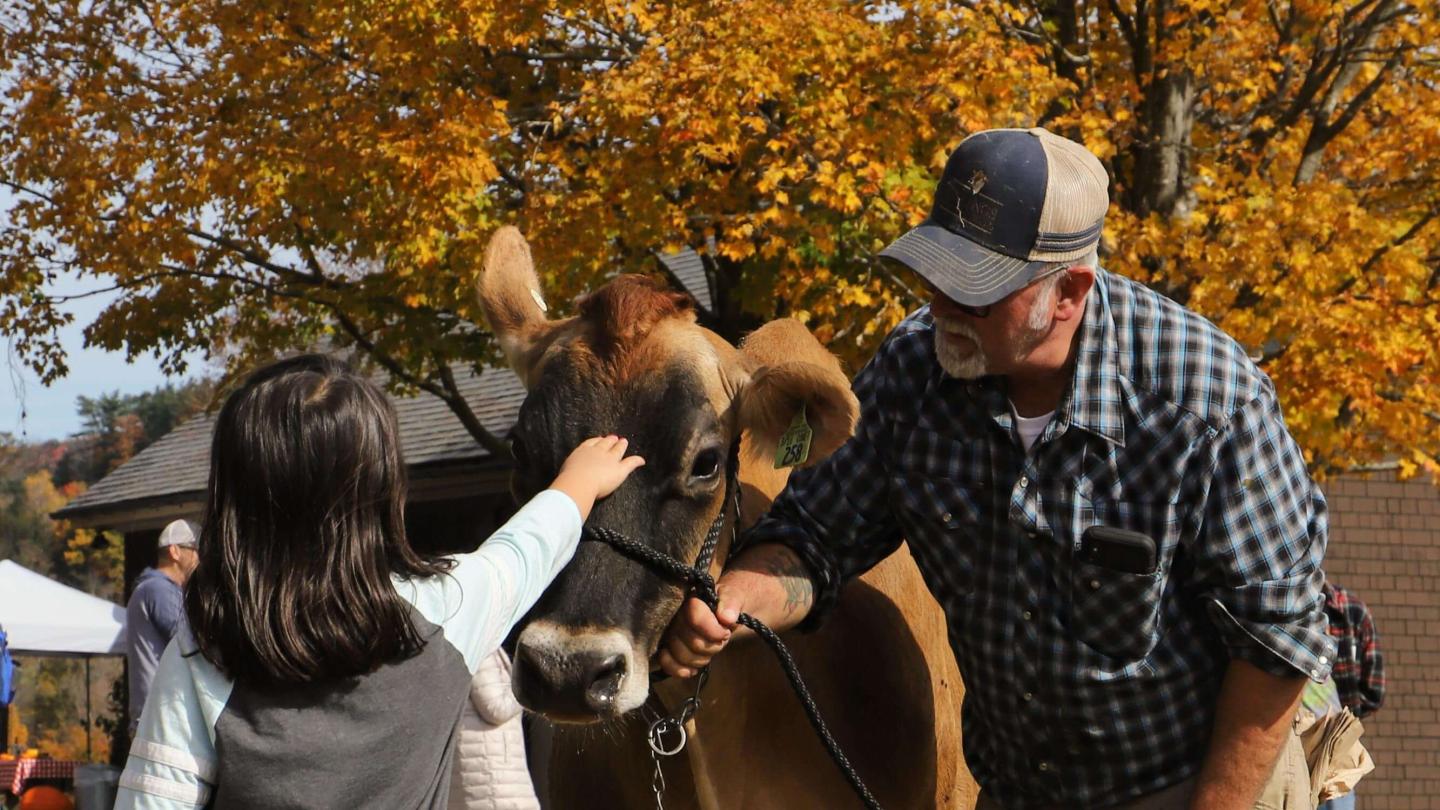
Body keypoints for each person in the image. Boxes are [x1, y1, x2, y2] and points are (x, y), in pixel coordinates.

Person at [661, 127, 1337, 809]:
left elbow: (1274, 646)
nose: (940, 305)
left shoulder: (1207, 402)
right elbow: (814, 534)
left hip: (1198, 783)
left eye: (974, 288)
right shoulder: (914, 371)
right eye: (934, 274)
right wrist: (739, 599)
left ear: (1068, 291)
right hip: (1019, 791)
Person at [114, 354, 644, 809]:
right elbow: (527, 547)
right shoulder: (448, 608)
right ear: (384, 484)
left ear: (234, 499)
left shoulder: (208, 646)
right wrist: (581, 479)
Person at [125, 518, 200, 734]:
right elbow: (191, 642)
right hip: (160, 722)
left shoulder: (150, 589)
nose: (199, 558)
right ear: (175, 551)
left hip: (156, 719)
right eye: (194, 550)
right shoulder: (158, 589)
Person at [1317, 580, 1384, 809]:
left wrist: (1343, 719)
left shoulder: (1352, 612)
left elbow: (1374, 690)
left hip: (1336, 749)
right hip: (1296, 747)